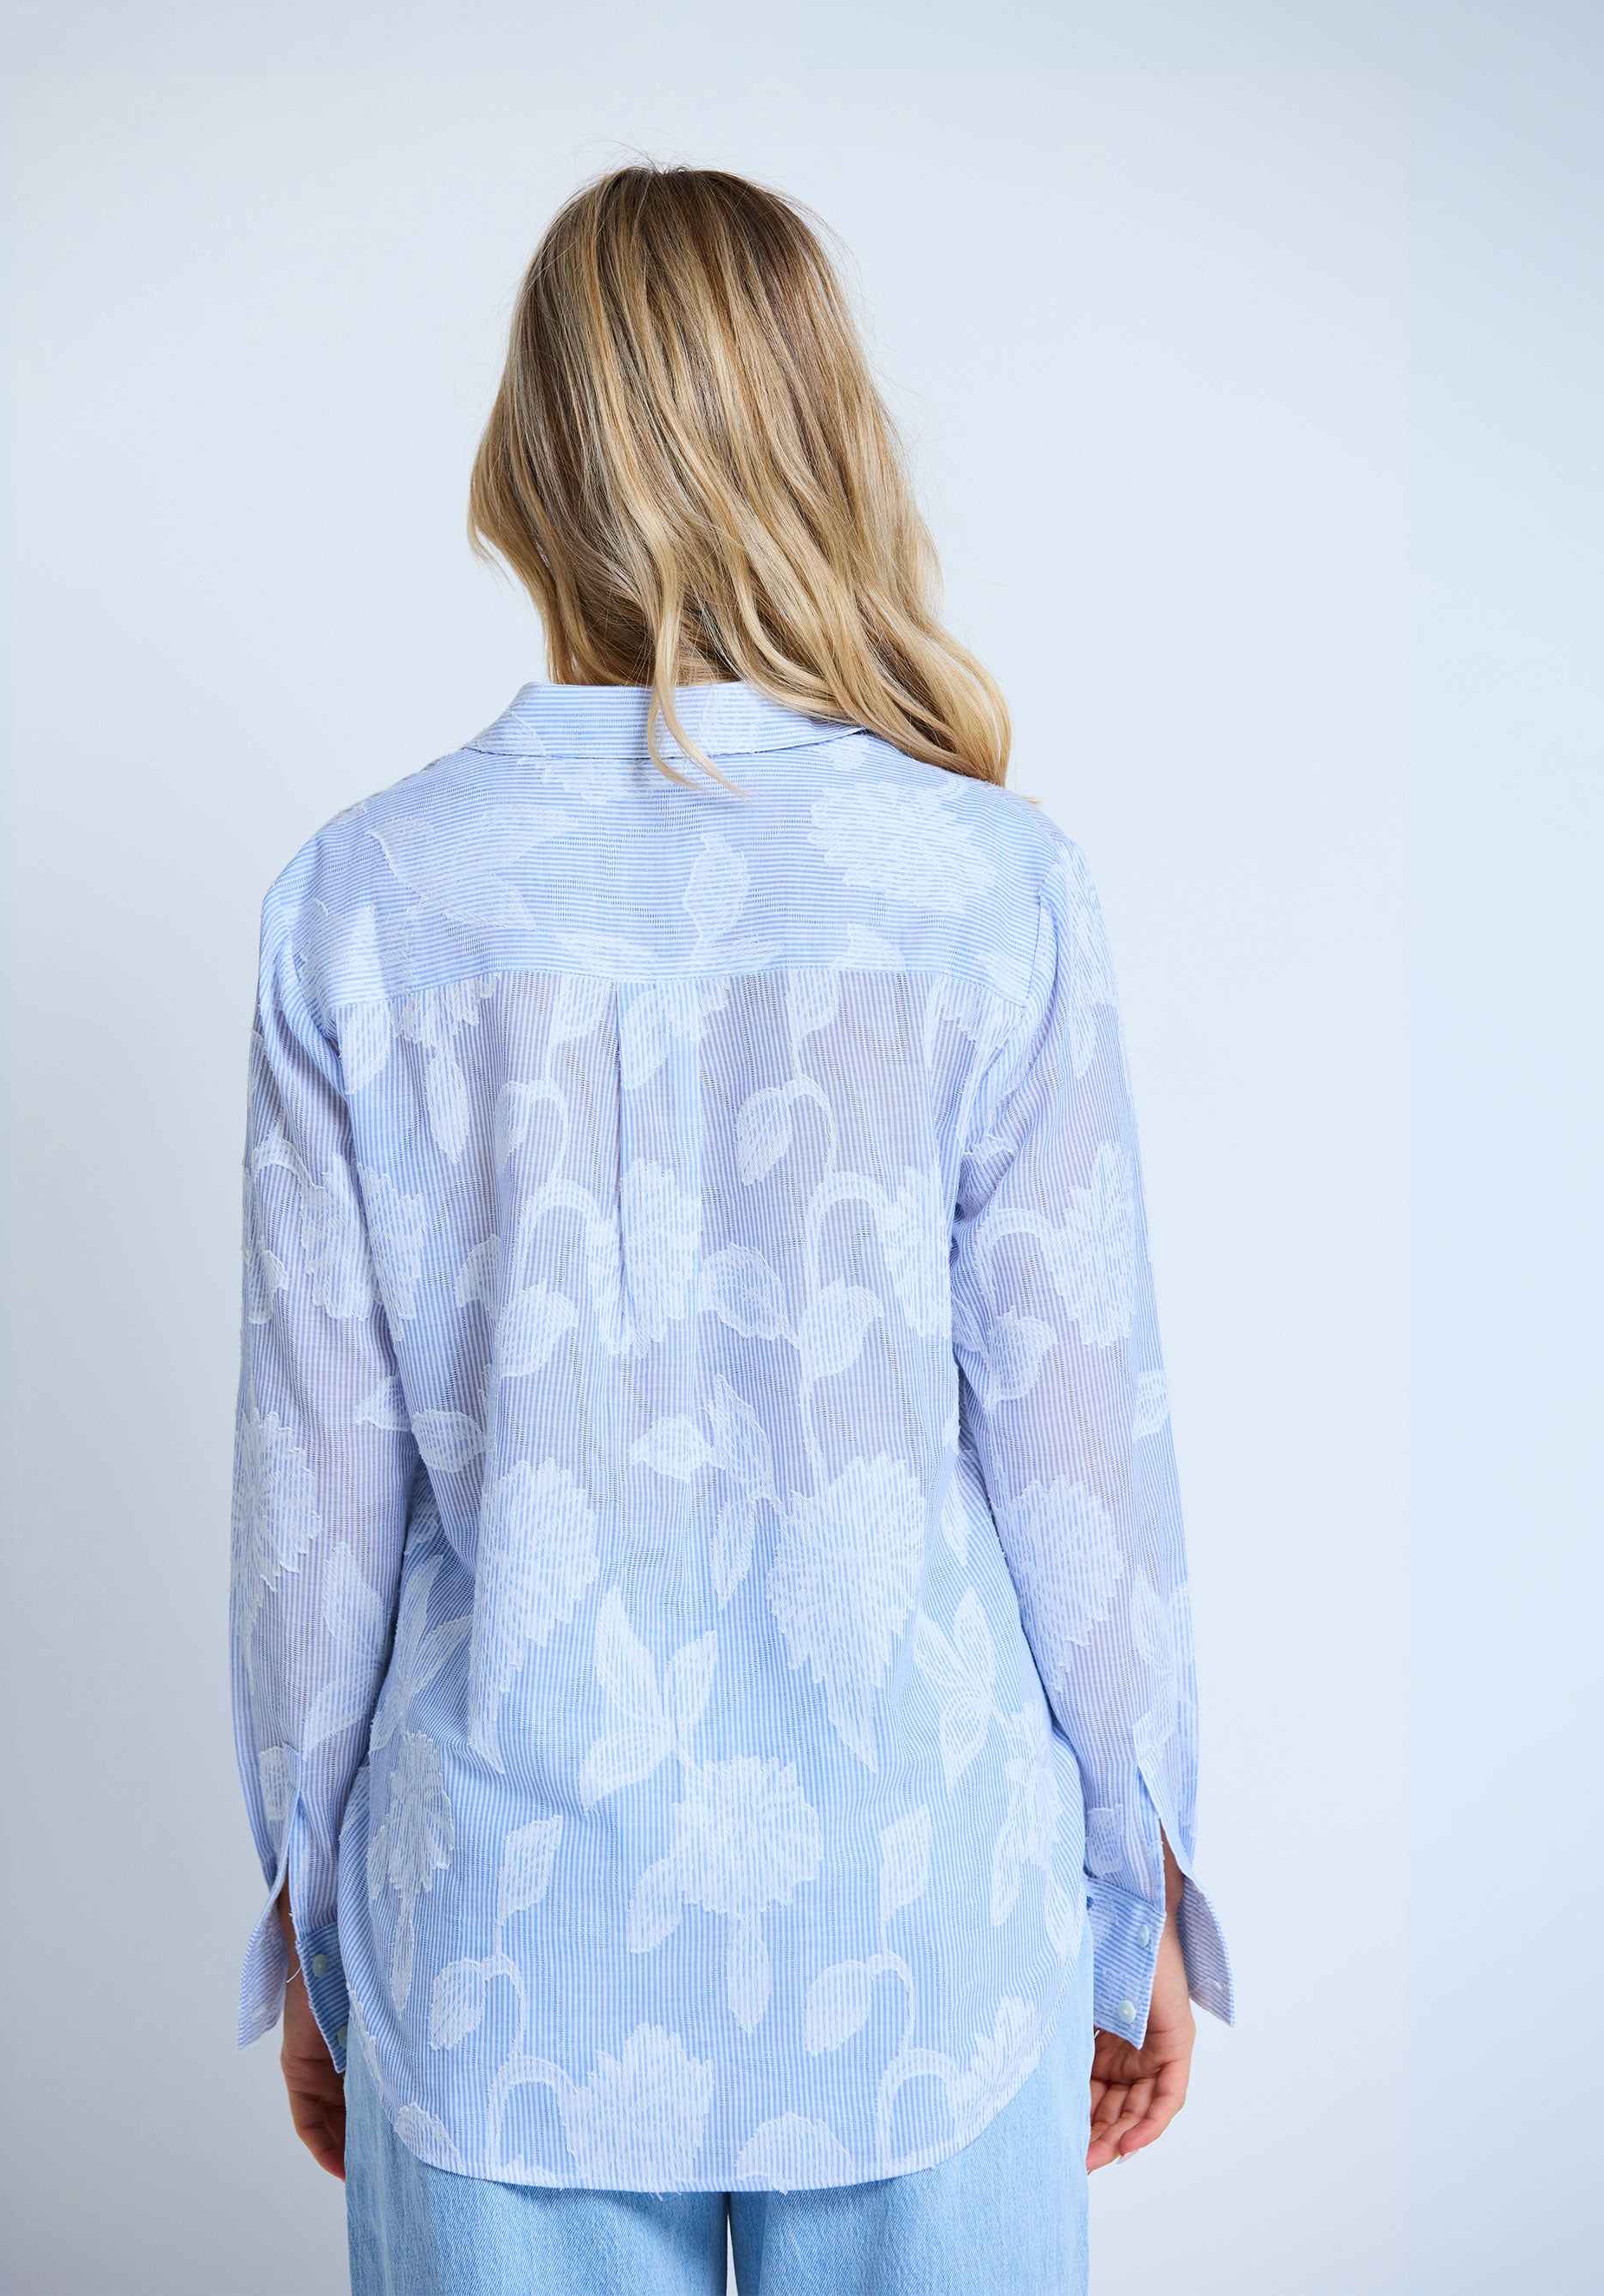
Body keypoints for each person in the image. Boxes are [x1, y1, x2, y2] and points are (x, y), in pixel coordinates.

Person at [229, 162, 1232, 2296]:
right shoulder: (989, 889)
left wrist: (309, 1914)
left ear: (529, 461)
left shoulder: (361, 904)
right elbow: (1079, 1458)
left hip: (496, 1950)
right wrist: (1136, 1882)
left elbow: (315, 1514)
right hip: (924, 1914)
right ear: (823, 438)